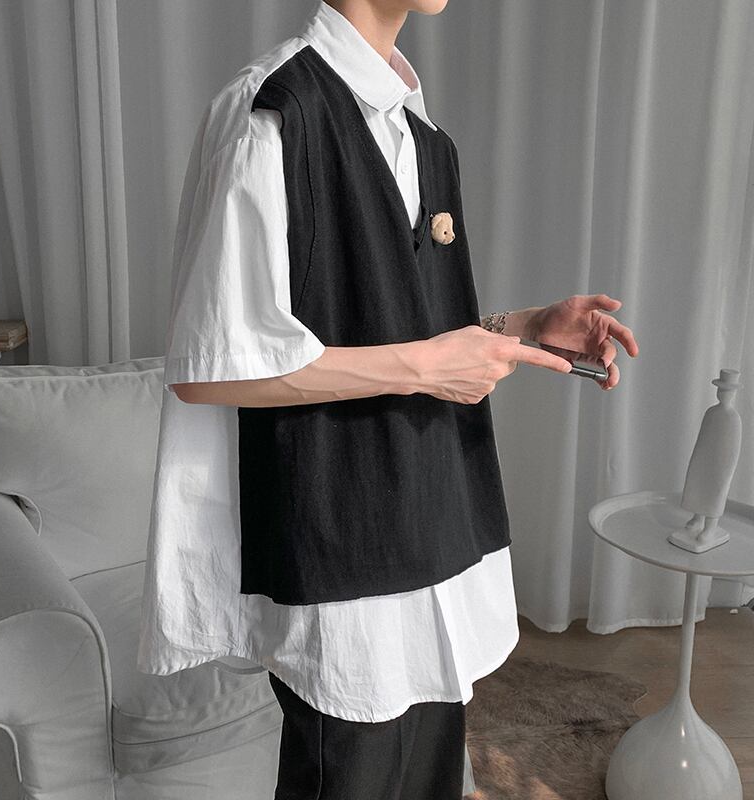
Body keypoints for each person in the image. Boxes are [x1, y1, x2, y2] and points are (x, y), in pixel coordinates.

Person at [137, 1, 640, 798]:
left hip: (434, 526)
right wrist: (427, 369)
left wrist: (523, 326)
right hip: (343, 547)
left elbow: (391, 324)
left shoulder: (421, 135)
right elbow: (213, 367)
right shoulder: (275, 112)